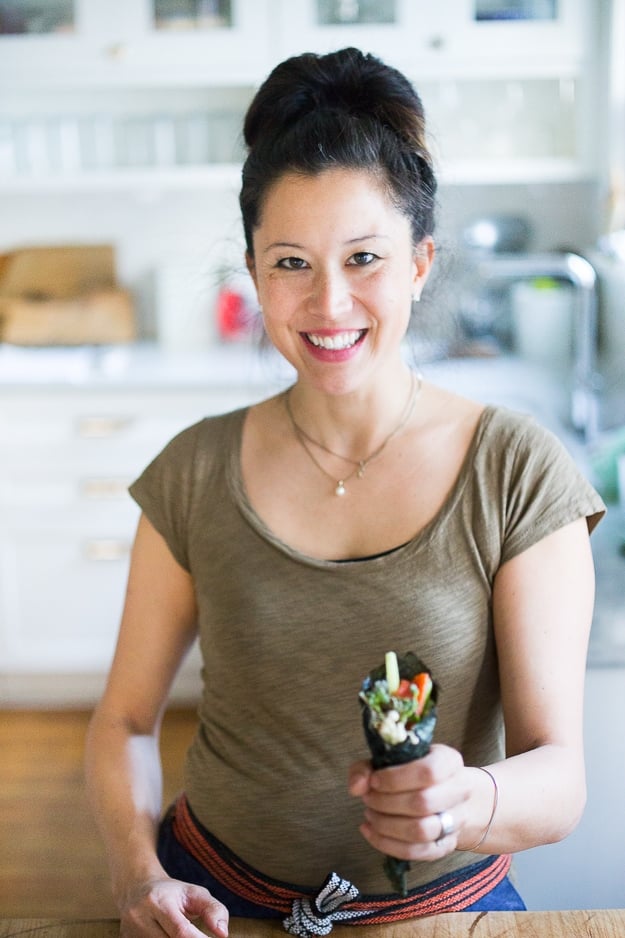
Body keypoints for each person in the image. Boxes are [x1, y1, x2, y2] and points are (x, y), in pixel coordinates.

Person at [85, 46, 605, 938]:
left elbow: (557, 778)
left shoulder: (515, 469)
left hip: (444, 910)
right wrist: (139, 879)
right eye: (290, 263)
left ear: (419, 262)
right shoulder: (193, 470)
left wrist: (466, 800)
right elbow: (126, 721)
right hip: (209, 905)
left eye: (363, 257)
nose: (328, 304)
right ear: (252, 273)